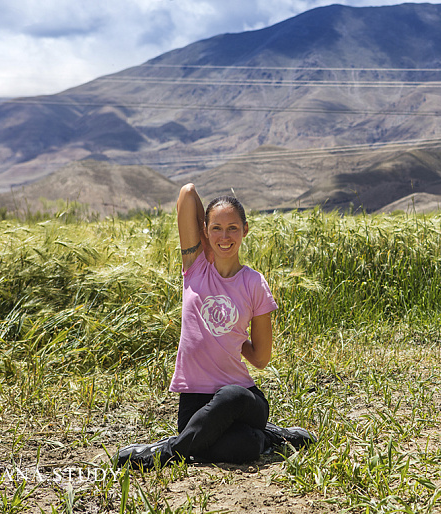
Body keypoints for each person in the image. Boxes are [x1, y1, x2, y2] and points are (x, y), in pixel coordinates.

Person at [115, 183, 315, 469]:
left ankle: (164, 452)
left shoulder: (254, 283)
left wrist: (230, 335)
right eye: (216, 228)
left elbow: (260, 358)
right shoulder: (194, 266)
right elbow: (187, 193)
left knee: (230, 396)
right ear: (205, 231)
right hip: (196, 402)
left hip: (245, 400)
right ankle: (271, 437)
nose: (225, 236)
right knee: (247, 444)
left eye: (233, 228)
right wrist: (203, 243)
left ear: (245, 230)